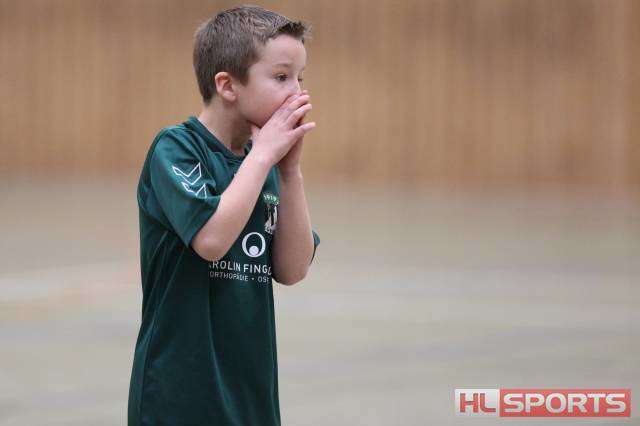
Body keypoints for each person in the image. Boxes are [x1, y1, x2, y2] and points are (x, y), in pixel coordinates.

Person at [127, 5, 320, 425]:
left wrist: (289, 173)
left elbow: (293, 269)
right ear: (228, 85)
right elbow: (212, 241)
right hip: (177, 400)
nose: (297, 94)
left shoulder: (265, 165)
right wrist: (264, 156)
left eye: (300, 78)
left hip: (250, 397)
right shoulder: (176, 149)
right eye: (281, 77)